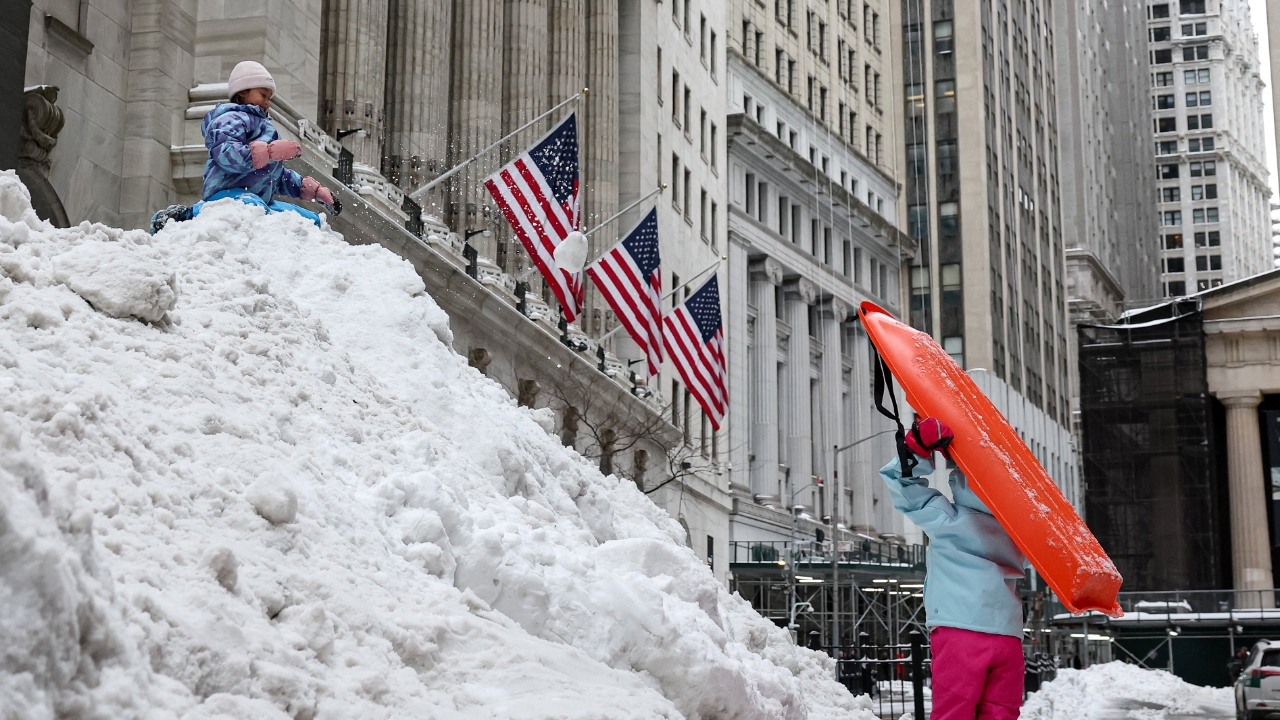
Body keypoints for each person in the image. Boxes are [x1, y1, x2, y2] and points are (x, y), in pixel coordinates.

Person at [879, 417, 1027, 720]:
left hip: (959, 631)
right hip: (1008, 634)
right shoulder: (1020, 532)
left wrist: (916, 449)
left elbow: (904, 487)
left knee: (954, 712)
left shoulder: (948, 520)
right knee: (1001, 713)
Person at [150, 61, 338, 233]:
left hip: (260, 201)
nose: (267, 102)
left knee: (308, 220)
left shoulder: (267, 129)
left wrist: (315, 191)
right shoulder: (230, 119)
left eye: (269, 97)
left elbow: (277, 176)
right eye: (263, 94)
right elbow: (226, 154)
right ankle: (188, 214)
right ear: (242, 91)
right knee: (251, 207)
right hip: (228, 193)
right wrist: (270, 152)